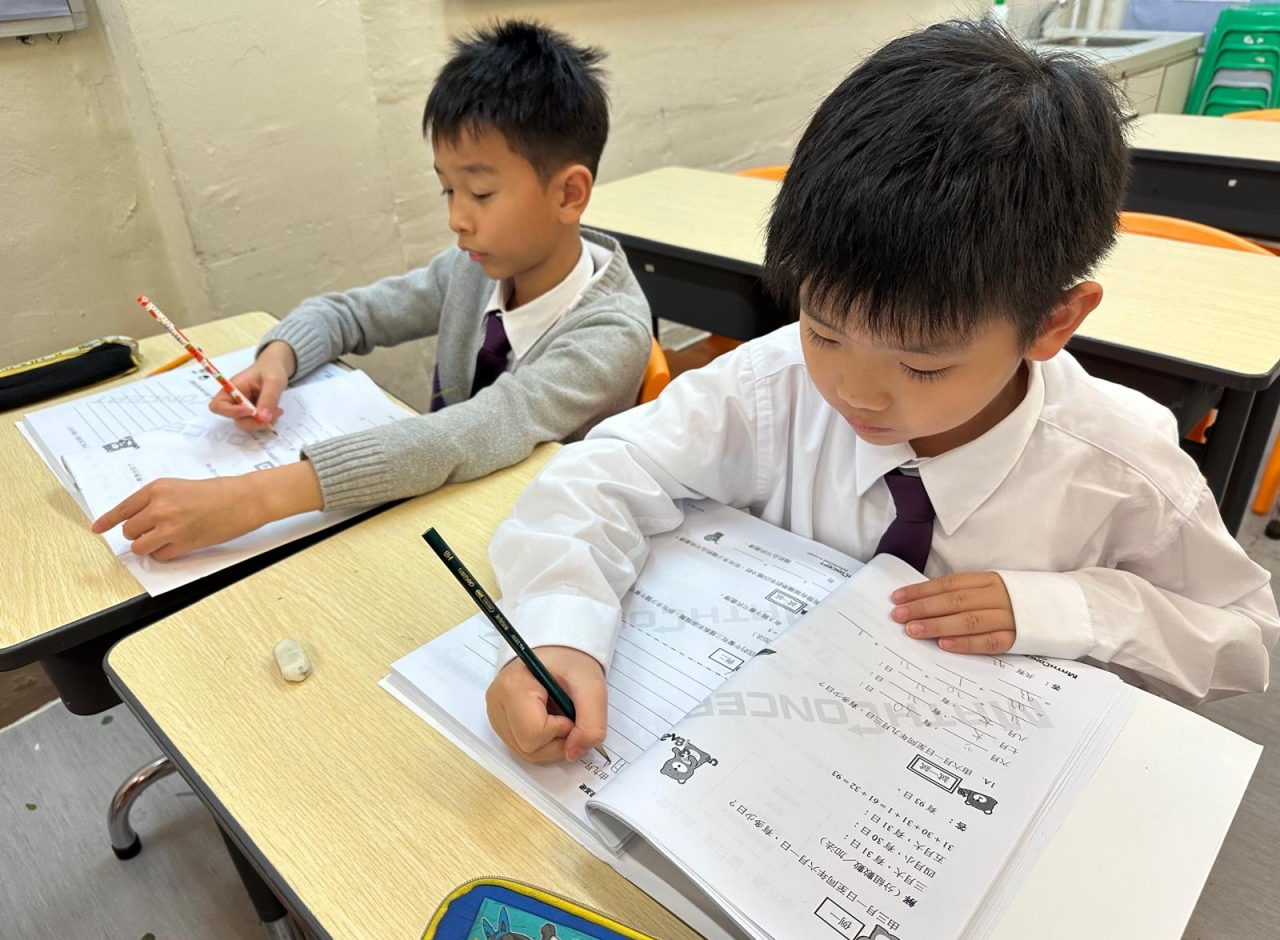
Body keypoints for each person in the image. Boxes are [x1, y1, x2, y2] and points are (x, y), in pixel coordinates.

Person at [481, 19, 1279, 765]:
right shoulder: (777, 383)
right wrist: (560, 629)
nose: (853, 393)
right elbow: (601, 474)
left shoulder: (1121, 467)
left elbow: (1245, 638)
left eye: (923, 367)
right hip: (782, 753)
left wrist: (1077, 609)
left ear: (1053, 322)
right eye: (824, 330)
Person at [92, 21, 653, 561]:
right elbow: (351, 314)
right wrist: (278, 359)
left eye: (480, 194)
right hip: (443, 511)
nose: (457, 219)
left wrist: (253, 498)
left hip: (535, 543)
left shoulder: (609, 335)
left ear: (569, 194)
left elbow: (478, 430)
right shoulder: (471, 271)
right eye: (447, 190)